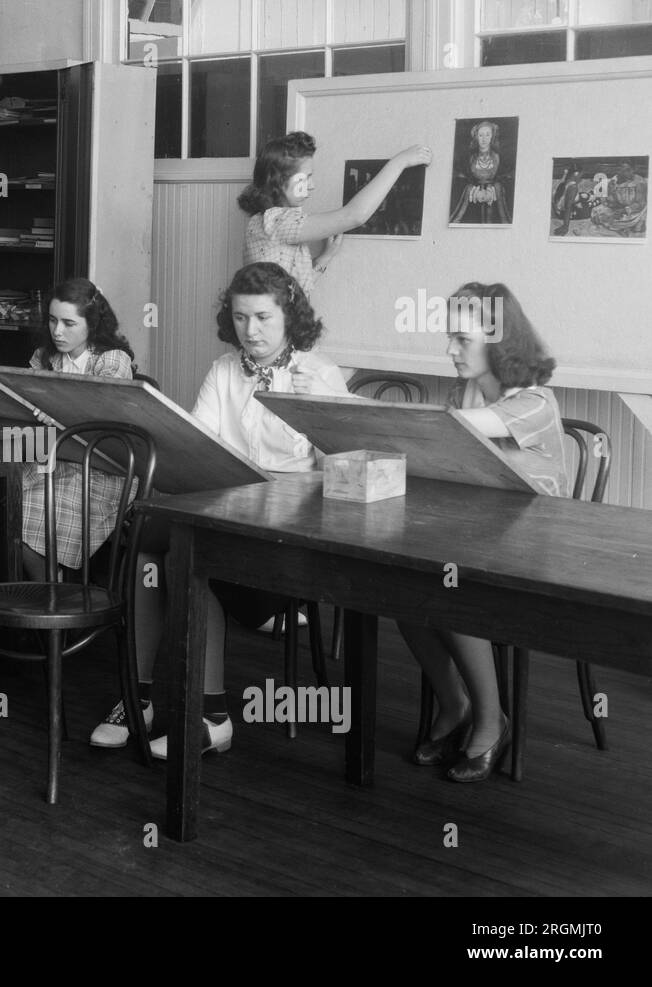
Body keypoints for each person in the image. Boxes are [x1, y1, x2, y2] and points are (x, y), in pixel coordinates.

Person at [90, 263, 352, 759]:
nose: (249, 331)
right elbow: (199, 449)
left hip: (289, 533)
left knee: (187, 555)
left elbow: (341, 474)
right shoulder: (224, 369)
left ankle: (210, 716)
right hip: (225, 512)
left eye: (262, 318)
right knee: (149, 544)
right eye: (239, 317)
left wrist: (284, 470)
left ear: (290, 315)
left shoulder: (320, 375)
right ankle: (138, 697)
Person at [400, 283, 567, 782]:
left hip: (535, 554)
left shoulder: (535, 403)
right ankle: (455, 704)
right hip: (478, 538)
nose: (449, 350)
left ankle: (492, 721)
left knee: (450, 585)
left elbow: (446, 435)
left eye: (460, 339)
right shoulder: (465, 391)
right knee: (399, 585)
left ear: (498, 341)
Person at [0, 278, 135, 580]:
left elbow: (99, 415)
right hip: (53, 462)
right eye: (53, 320)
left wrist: (54, 410)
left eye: (69, 323)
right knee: (6, 506)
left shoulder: (112, 360)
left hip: (101, 470)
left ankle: (49, 600)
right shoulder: (46, 357)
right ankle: (43, 592)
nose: (57, 331)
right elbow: (26, 408)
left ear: (92, 324)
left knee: (29, 512)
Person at [239, 131, 432, 293]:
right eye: (305, 178)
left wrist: (324, 257)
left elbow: (294, 292)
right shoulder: (275, 222)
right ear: (279, 181)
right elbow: (355, 215)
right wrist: (400, 162)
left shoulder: (268, 221)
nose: (311, 186)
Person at [449, 120, 512, 225]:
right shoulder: (469, 158)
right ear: (476, 137)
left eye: (488, 135)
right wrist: (472, 191)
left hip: (495, 202)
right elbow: (460, 179)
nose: (484, 139)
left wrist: (495, 190)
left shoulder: (499, 158)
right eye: (481, 135)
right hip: (472, 203)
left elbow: (507, 178)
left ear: (492, 136)